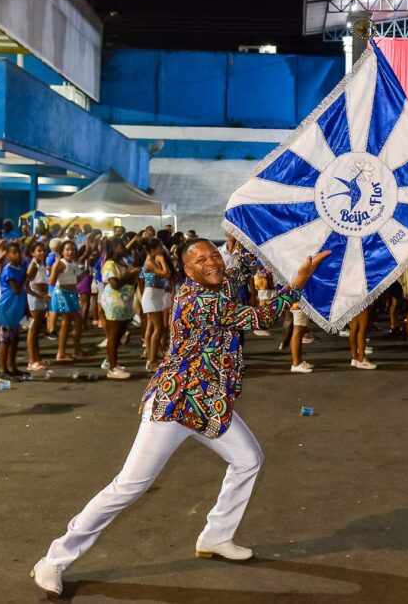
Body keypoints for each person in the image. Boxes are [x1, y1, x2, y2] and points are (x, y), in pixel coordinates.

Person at [31, 240, 329, 596]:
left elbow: (246, 264)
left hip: (209, 405)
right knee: (128, 486)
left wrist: (271, 232)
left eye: (215, 255)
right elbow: (260, 316)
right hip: (175, 403)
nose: (212, 262)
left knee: (248, 460)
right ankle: (53, 560)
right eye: (201, 260)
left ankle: (216, 537)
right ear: (187, 271)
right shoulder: (200, 299)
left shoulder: (222, 282)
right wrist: (297, 283)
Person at [100, 238, 139, 379]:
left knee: (121, 333)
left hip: (124, 302)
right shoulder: (109, 264)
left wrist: (132, 275)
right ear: (114, 248)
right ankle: (112, 368)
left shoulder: (122, 262)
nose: (124, 248)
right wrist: (130, 275)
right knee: (113, 335)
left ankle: (109, 361)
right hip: (114, 303)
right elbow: (115, 284)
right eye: (121, 245)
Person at [0, 242, 27, 377]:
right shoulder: (8, 270)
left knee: (14, 340)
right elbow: (17, 289)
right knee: (5, 340)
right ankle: (3, 369)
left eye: (19, 252)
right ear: (7, 254)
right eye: (14, 253)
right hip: (5, 309)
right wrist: (27, 278)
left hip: (15, 309)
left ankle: (12, 366)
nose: (17, 255)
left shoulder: (20, 268)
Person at [140, 237, 175, 372]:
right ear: (153, 249)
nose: (162, 250)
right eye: (159, 247)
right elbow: (166, 273)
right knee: (159, 328)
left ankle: (151, 357)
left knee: (154, 328)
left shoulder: (151, 261)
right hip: (152, 295)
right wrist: (161, 259)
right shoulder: (149, 262)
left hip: (156, 294)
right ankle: (152, 361)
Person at [49, 240, 83, 362]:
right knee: (69, 321)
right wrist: (55, 265)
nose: (70, 252)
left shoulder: (73, 263)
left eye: (72, 249)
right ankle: (62, 352)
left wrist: (84, 273)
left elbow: (75, 280)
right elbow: (52, 282)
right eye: (67, 249)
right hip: (62, 294)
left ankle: (73, 349)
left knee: (70, 322)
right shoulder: (60, 263)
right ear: (62, 251)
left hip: (71, 294)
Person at [25, 241, 51, 372]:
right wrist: (40, 296)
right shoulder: (33, 266)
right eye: (38, 251)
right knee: (33, 330)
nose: (42, 253)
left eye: (43, 250)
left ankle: (37, 358)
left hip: (41, 298)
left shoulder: (42, 264)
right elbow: (26, 286)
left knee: (37, 331)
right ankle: (31, 361)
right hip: (35, 300)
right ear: (32, 253)